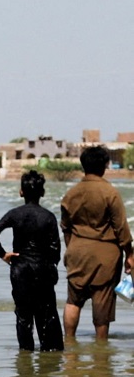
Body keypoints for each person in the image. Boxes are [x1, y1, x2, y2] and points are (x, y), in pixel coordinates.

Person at [58, 145, 133, 341]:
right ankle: (101, 350)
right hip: (105, 256)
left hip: (77, 251)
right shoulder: (110, 193)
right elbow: (121, 229)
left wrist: (72, 247)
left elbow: (65, 227)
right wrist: (130, 254)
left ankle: (70, 344)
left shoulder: (71, 194)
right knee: (102, 302)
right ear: (105, 166)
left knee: (73, 300)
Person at [0, 169, 64, 351]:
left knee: (23, 315)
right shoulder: (49, 217)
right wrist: (49, 265)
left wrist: (3, 254)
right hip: (43, 269)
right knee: (47, 316)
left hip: (20, 270)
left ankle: (26, 353)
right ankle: (49, 354)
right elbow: (55, 252)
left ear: (21, 192)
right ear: (43, 193)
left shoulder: (14, 214)